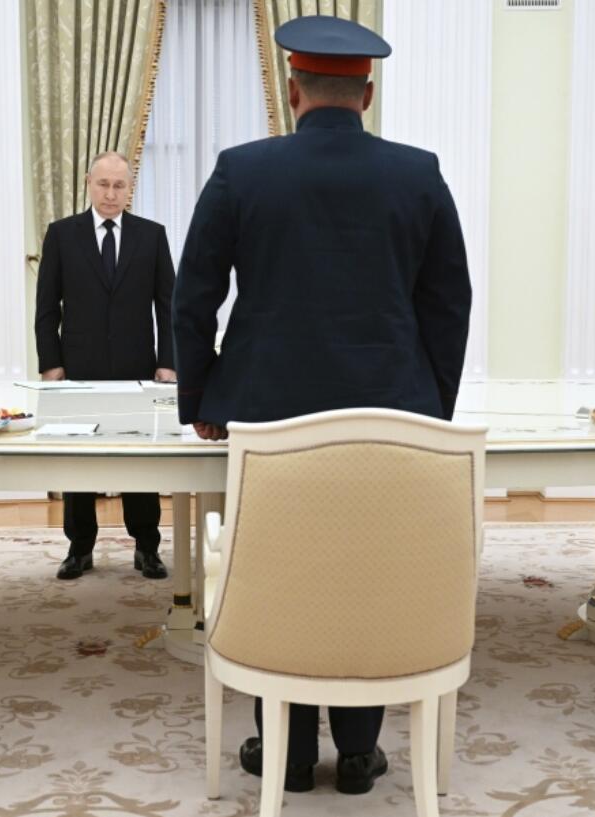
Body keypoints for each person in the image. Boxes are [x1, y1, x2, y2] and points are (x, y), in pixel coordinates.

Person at [172, 15, 471, 796]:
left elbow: (194, 292)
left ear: (293, 90)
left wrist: (202, 396)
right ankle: (360, 752)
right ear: (367, 95)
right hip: (390, 414)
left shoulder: (242, 169)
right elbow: (449, 302)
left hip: (268, 413)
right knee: (368, 575)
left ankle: (290, 753)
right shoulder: (419, 172)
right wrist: (431, 408)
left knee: (281, 574)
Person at [34, 152, 176, 580]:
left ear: (130, 188)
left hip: (138, 368)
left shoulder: (152, 236)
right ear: (88, 183)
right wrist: (50, 364)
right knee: (78, 462)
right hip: (78, 369)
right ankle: (79, 548)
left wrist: (168, 362)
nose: (111, 194)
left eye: (119, 186)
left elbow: (168, 306)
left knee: (139, 461)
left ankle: (146, 547)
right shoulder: (62, 235)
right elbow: (46, 307)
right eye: (103, 185)